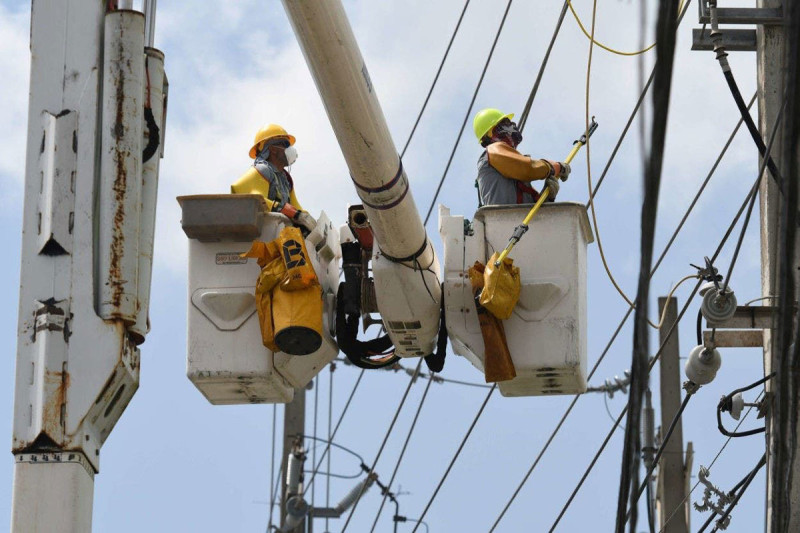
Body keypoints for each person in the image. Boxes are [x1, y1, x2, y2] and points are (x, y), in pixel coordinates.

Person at [473, 108, 571, 207]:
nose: (512, 125)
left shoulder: (513, 170)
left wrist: (547, 198)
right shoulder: (493, 151)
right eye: (506, 122)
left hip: (516, 220)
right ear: (491, 133)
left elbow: (530, 212)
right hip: (504, 219)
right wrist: (552, 167)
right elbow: (527, 169)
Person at [231, 124, 316, 233]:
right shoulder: (261, 170)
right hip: (260, 235)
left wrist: (308, 220)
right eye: (285, 144)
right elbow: (247, 198)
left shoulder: (285, 179)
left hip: (278, 234)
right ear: (272, 149)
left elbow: (296, 208)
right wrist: (282, 208)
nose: (289, 149)